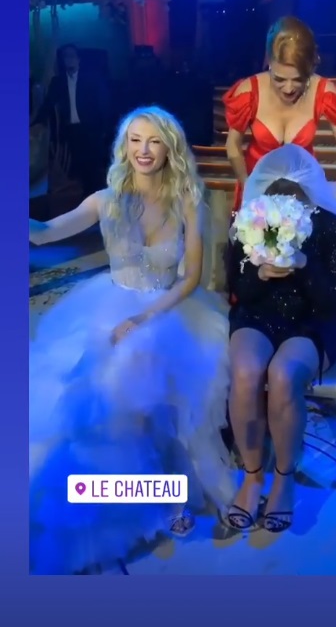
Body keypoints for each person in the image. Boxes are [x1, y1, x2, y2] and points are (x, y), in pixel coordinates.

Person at [29, 106, 235, 574]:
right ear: (124, 146)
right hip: (109, 307)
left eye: (154, 141)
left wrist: (142, 319)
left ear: (169, 148)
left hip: (168, 309)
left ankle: (174, 494)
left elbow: (191, 278)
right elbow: (44, 235)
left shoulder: (186, 199)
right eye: (135, 140)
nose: (144, 150)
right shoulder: (105, 200)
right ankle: (134, 496)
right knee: (103, 403)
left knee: (167, 403)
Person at [226, 144, 336, 534]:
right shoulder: (248, 221)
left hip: (315, 321)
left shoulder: (335, 227)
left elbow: (334, 300)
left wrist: (303, 264)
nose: (285, 199)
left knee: (283, 374)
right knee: (245, 372)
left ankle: (283, 477)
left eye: (295, 193)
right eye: (275, 191)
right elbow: (239, 291)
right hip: (260, 313)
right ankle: (252, 476)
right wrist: (259, 274)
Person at [222, 16, 336, 217]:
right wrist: (249, 188)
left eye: (298, 80)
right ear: (269, 62)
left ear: (310, 68)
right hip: (256, 191)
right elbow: (233, 146)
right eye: (279, 79)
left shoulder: (324, 92)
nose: (288, 89)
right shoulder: (248, 92)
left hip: (304, 192)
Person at [32, 44, 108, 197]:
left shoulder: (91, 79)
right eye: (66, 56)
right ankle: (85, 198)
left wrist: (104, 129)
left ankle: (97, 197)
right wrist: (36, 123)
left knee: (93, 167)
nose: (69, 60)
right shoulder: (58, 82)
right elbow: (48, 105)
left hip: (90, 130)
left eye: (72, 56)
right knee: (77, 168)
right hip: (70, 131)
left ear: (79, 59)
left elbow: (103, 104)